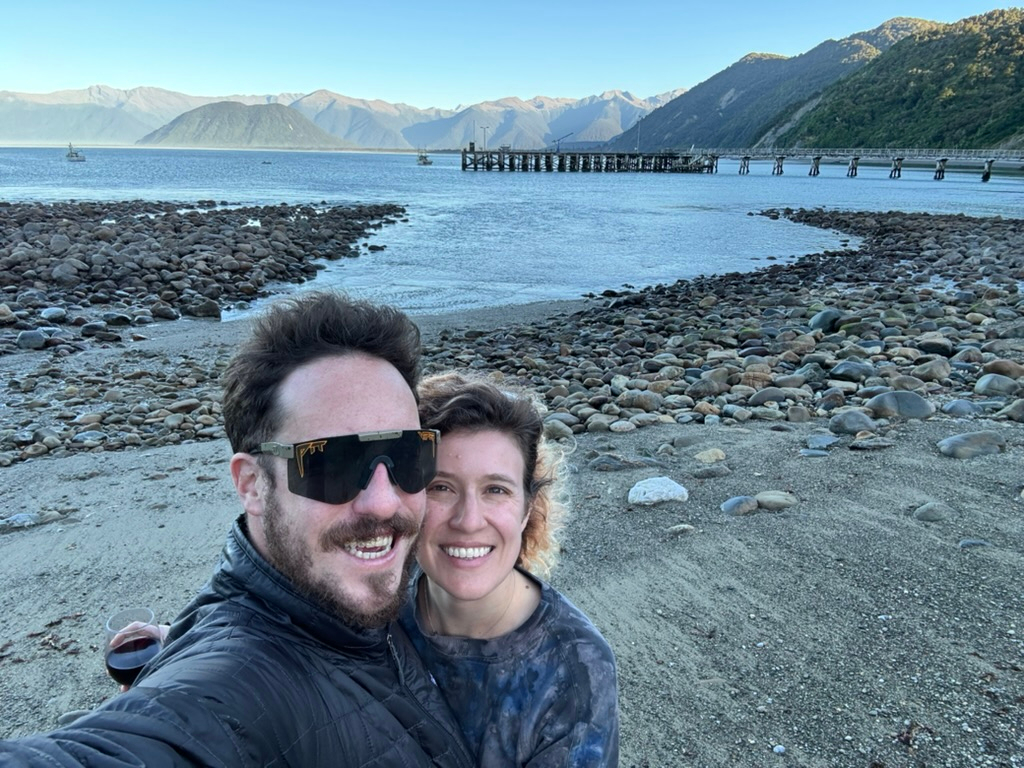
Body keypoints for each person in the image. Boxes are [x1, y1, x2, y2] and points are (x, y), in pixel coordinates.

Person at [0, 292, 473, 767]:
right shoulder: (230, 686)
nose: (384, 501)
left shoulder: (396, 585)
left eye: (410, 456)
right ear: (252, 484)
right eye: (333, 463)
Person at [400, 371, 620, 766]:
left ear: (527, 510)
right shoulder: (372, 612)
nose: (469, 521)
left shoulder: (575, 670)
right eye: (440, 487)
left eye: (496, 490)